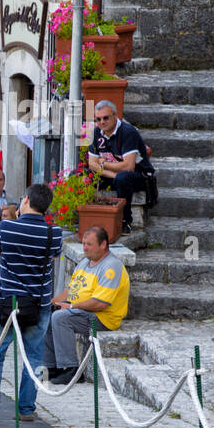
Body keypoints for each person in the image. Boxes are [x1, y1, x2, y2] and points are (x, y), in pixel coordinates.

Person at [0, 183, 62, 421]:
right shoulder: (55, 233)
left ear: (27, 200)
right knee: (33, 357)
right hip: (38, 303)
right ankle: (26, 409)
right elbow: (53, 256)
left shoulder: (7, 227)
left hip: (7, 300)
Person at [45, 225, 130, 384]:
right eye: (83, 244)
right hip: (81, 311)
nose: (84, 248)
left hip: (102, 318)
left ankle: (72, 370)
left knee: (60, 318)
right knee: (48, 313)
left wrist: (71, 307)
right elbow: (70, 291)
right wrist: (52, 303)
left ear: (103, 244)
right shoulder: (85, 262)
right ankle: (52, 367)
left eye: (89, 244)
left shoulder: (111, 266)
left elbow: (100, 304)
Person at [88, 99, 151, 233]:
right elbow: (92, 163)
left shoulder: (128, 132)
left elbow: (129, 166)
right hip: (113, 174)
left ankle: (125, 221)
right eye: (98, 119)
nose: (102, 122)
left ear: (115, 116)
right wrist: (112, 174)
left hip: (138, 175)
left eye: (106, 118)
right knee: (79, 175)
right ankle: (85, 217)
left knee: (122, 178)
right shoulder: (95, 132)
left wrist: (104, 163)